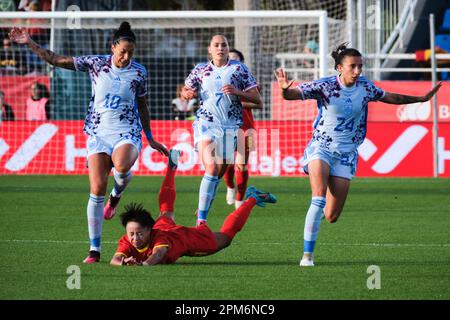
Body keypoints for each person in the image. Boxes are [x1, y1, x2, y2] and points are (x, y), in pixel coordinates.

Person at [9, 22, 169, 264]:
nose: (126, 57)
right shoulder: (96, 63)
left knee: (123, 165)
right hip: (98, 133)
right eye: (123, 51)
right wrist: (29, 42)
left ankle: (116, 195)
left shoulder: (139, 72)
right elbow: (57, 60)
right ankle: (94, 250)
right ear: (113, 47)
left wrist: (150, 137)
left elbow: (143, 106)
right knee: (96, 189)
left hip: (127, 131)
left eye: (131, 53)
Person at [274, 42, 442, 267]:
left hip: (346, 154)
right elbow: (292, 95)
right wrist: (285, 89)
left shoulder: (365, 87)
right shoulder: (325, 86)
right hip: (321, 147)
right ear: (340, 68)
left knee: (332, 215)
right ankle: (307, 256)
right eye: (353, 66)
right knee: (318, 197)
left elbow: (389, 97)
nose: (358, 71)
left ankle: (316, 218)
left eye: (360, 66)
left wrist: (420, 99)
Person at [110, 149, 277, 266]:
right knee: (166, 212)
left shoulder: (159, 239)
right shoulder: (128, 241)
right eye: (131, 233)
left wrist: (144, 265)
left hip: (184, 239)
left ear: (149, 230)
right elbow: (114, 260)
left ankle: (253, 198)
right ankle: (171, 167)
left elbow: (158, 255)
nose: (134, 238)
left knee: (226, 238)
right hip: (164, 228)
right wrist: (123, 262)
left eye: (139, 233)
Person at [182, 35, 262, 226]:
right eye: (216, 45)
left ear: (228, 49)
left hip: (237, 128)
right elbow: (185, 91)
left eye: (224, 45)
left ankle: (238, 196)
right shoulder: (200, 69)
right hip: (206, 124)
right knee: (212, 167)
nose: (220, 48)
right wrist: (186, 94)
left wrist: (237, 92)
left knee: (238, 165)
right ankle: (202, 219)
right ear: (210, 49)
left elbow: (258, 100)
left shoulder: (240, 69)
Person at [223, 49, 262, 209]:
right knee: (226, 163)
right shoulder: (218, 82)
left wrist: (236, 100)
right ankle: (230, 187)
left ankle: (239, 200)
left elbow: (258, 104)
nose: (232, 61)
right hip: (225, 127)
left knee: (242, 164)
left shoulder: (248, 82)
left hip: (247, 129)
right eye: (229, 58)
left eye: (235, 59)